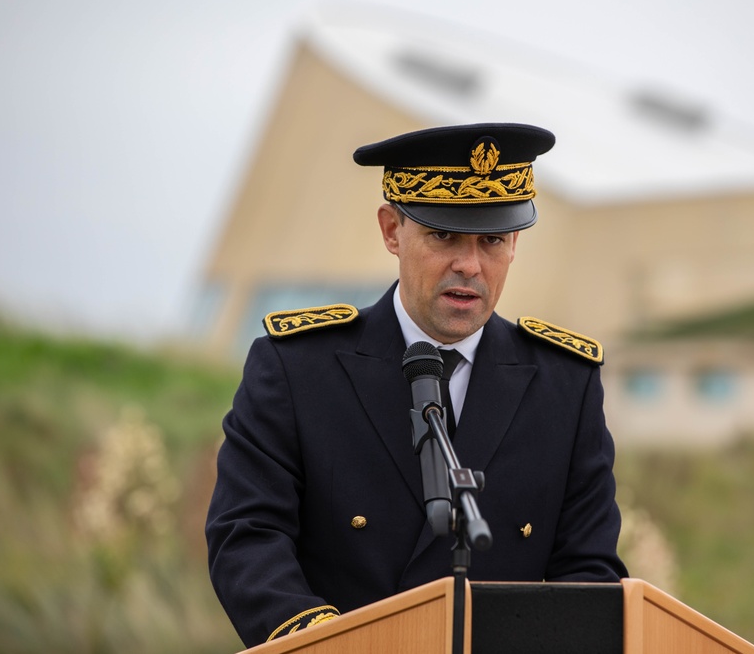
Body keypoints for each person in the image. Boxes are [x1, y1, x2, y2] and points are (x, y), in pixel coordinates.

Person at [206, 123, 627, 647]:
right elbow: (247, 538)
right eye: (443, 235)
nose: (469, 265)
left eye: (492, 240)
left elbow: (588, 570)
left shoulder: (566, 383)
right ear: (391, 230)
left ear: (515, 242)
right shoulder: (296, 368)